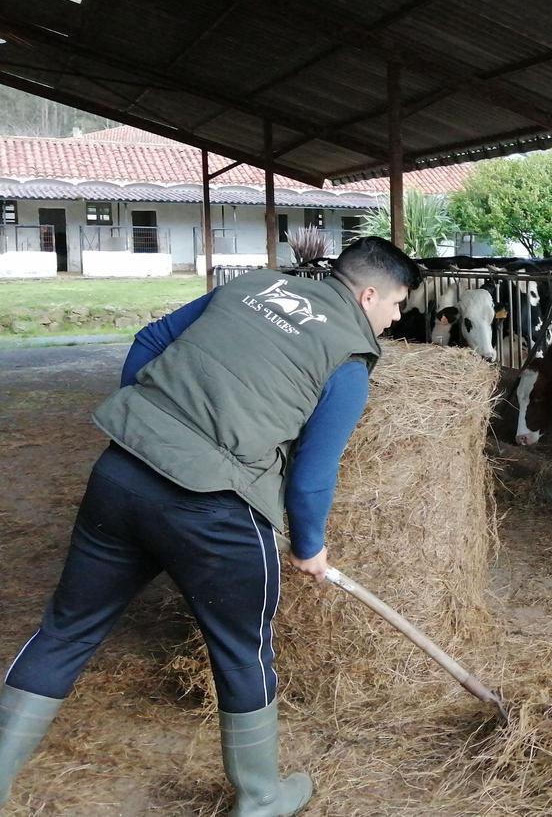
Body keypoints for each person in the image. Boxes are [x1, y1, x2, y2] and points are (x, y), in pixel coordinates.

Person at [0, 237, 421, 816]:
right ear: (370, 293)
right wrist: (310, 546)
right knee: (243, 653)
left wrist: (152, 419)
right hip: (212, 509)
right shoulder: (348, 361)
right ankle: (260, 798)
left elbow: (150, 341)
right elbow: (312, 475)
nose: (396, 318)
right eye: (397, 304)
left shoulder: (252, 285)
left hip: (122, 475)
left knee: (67, 629)